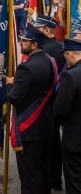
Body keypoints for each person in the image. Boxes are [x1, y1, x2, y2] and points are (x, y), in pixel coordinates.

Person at [6, 23, 56, 194]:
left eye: (24, 40)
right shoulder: (50, 61)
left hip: (30, 130)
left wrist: (9, 85)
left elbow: (14, 98)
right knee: (43, 173)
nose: (21, 42)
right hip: (46, 126)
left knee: (30, 178)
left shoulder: (26, 67)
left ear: (34, 44)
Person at [33, 13, 66, 191]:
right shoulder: (63, 48)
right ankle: (56, 178)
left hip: (43, 103)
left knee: (45, 144)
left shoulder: (41, 52)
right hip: (60, 100)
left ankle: (46, 178)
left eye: (38, 28)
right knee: (56, 141)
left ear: (47, 30)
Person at [53, 38, 81, 194]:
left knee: (75, 182)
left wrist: (64, 123)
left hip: (75, 140)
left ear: (70, 54)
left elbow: (60, 109)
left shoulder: (70, 76)